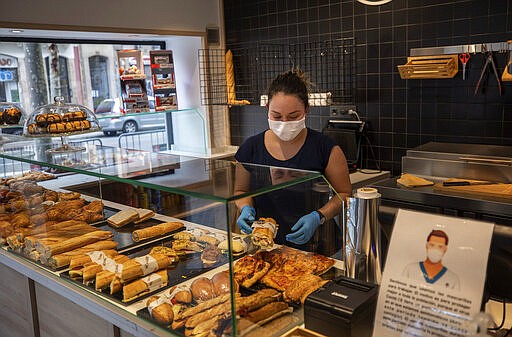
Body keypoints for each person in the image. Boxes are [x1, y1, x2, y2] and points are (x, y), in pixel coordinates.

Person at [233, 68, 352, 251]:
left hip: (318, 246)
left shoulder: (325, 148)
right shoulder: (251, 148)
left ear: (307, 109)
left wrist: (319, 216)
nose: (284, 123)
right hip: (267, 247)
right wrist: (245, 208)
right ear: (267, 109)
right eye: (277, 116)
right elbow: (241, 190)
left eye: (293, 116)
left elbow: (344, 194)